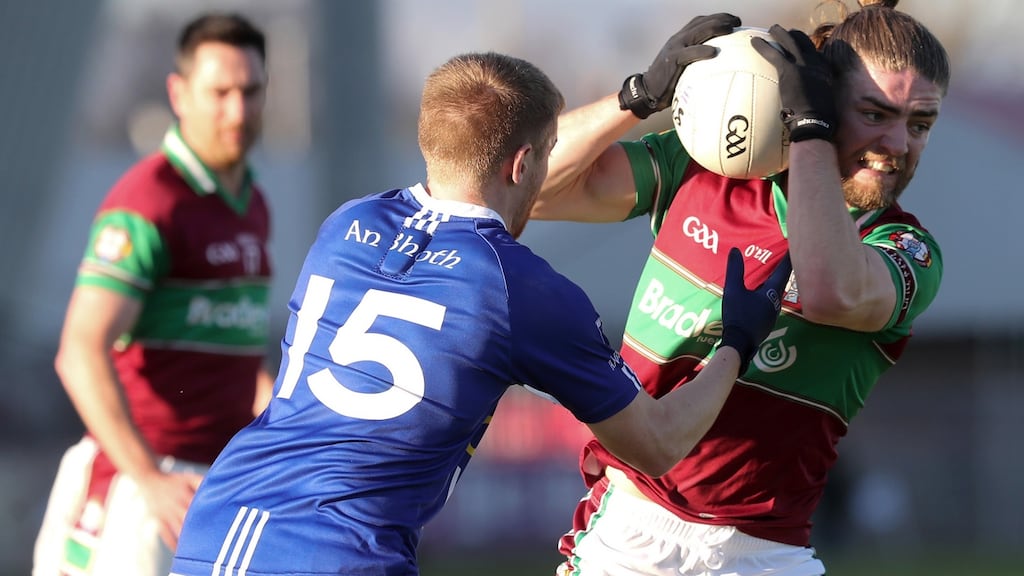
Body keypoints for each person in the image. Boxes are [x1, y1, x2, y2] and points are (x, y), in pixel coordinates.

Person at [168, 51, 791, 576]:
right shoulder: (522, 290)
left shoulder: (349, 223)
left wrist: (635, 97)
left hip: (220, 527)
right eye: (545, 154)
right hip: (339, 555)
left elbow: (487, 168)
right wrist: (737, 338)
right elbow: (656, 445)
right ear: (523, 165)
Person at [532, 1, 950, 574]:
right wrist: (637, 97)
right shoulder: (713, 165)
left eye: (920, 123)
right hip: (632, 534)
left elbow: (831, 289)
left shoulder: (904, 248)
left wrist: (809, 133)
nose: (899, 143)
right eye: (875, 114)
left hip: (770, 554)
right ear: (824, 98)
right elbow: (533, 190)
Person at [32, 12, 275, 576]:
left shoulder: (252, 202)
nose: (237, 111)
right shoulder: (149, 202)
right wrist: (148, 478)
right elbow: (79, 351)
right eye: (219, 93)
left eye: (251, 91)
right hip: (142, 489)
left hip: (214, 486)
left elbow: (234, 351)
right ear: (178, 93)